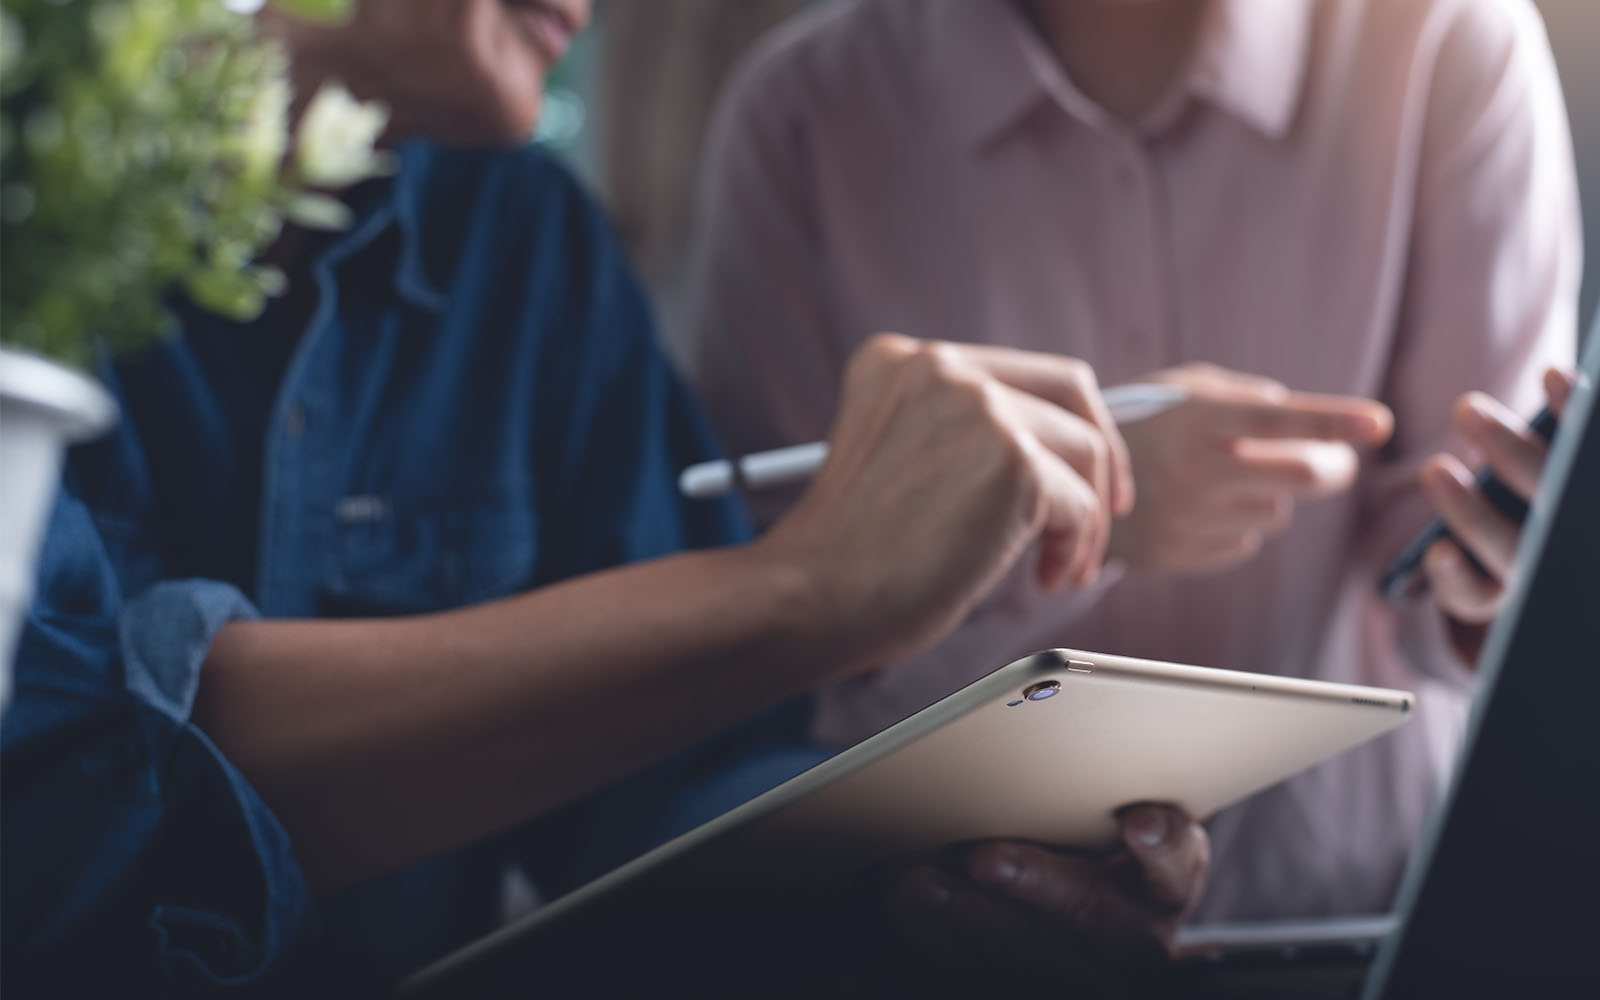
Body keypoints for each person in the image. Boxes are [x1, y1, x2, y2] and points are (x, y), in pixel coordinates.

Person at [0, 0, 1210, 995]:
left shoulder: (530, 245)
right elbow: (55, 777)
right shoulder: (25, 179)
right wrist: (805, 586)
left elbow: (669, 784)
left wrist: (946, 872)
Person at [682, 0, 1582, 921]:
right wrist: (1077, 516)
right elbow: (788, 638)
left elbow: (1448, 559)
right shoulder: (801, 113)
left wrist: (1491, 587)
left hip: (1350, 913)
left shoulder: (1445, 38)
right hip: (954, 930)